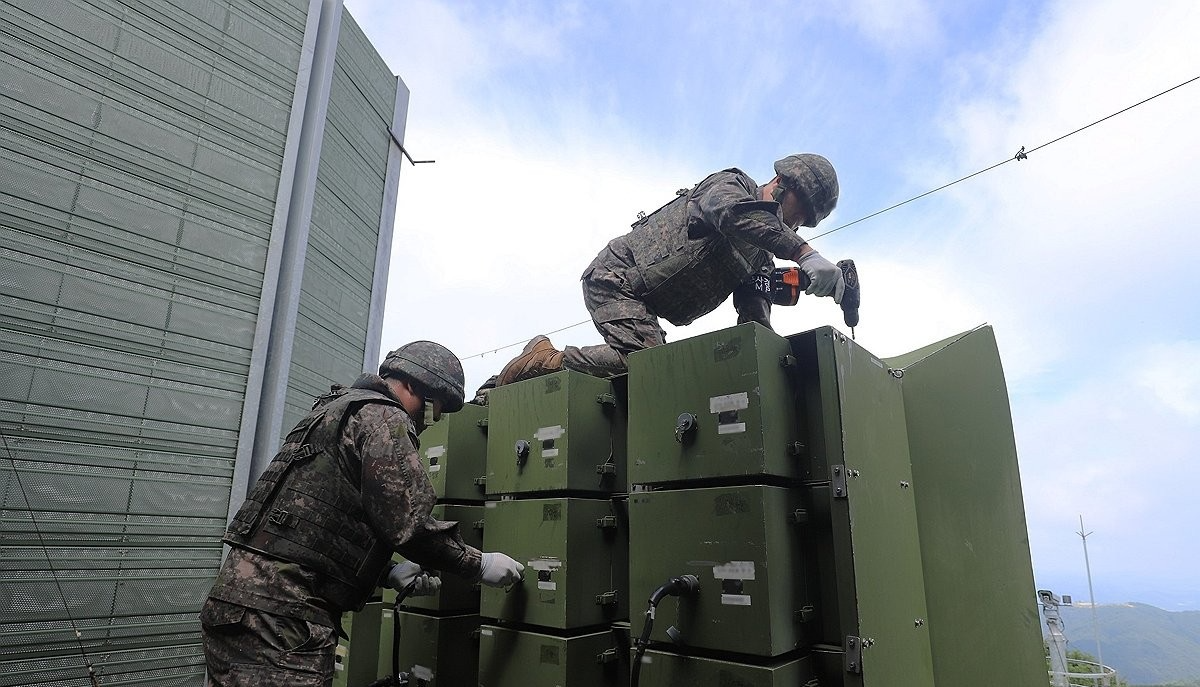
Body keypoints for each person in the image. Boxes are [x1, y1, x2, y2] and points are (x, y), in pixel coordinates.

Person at [200, 340, 524, 686]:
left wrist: (387, 573)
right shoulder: (384, 416)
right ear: (411, 384)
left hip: (239, 608)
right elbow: (409, 524)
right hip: (281, 619)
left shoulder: (335, 411)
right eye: (433, 408)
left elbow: (311, 522)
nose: (433, 421)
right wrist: (478, 564)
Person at [494, 154, 844, 385]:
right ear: (784, 181)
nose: (798, 222)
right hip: (617, 278)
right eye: (802, 209)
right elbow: (731, 214)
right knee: (645, 364)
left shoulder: (760, 254)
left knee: (657, 369)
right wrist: (803, 253)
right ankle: (545, 360)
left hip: (646, 304)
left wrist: (762, 356)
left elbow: (754, 307)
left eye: (806, 223)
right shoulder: (731, 186)